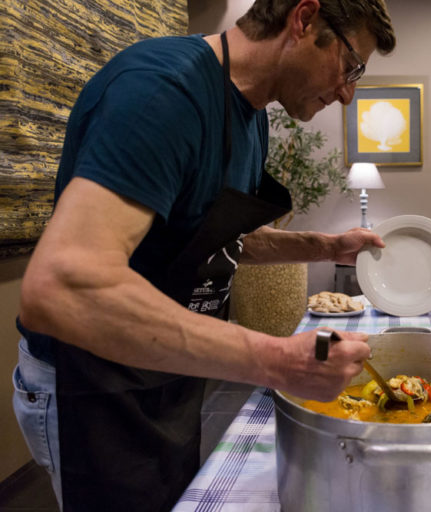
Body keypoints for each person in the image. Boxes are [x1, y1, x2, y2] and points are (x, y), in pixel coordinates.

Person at [12, 1, 396, 510]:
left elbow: (207, 237)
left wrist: (325, 247)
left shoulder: (251, 116)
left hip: (162, 376)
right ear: (304, 20)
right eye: (351, 66)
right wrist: (276, 360)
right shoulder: (163, 91)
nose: (348, 92)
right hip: (94, 384)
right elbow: (60, 288)